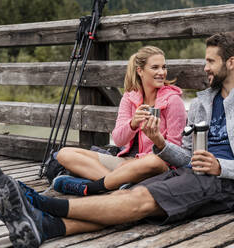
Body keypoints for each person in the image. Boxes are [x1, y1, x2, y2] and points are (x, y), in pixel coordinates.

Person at [0, 32, 234, 248]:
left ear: (230, 62)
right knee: (124, 201)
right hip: (189, 173)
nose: (205, 67)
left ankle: (37, 202)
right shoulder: (205, 102)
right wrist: (161, 144)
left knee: (138, 200)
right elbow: (187, 156)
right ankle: (46, 228)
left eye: (210, 61)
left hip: (226, 185)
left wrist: (221, 167)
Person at [53, 45, 187, 195]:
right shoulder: (130, 98)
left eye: (164, 67)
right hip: (126, 163)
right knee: (64, 154)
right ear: (140, 71)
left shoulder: (173, 101)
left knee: (152, 161)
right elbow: (118, 140)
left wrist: (156, 141)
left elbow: (177, 151)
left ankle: (99, 184)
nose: (162, 72)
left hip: (155, 165)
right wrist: (133, 123)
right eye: (155, 67)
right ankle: (120, 186)